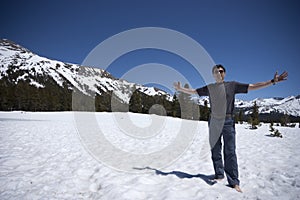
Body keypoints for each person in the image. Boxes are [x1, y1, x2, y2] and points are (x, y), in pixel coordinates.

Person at [173, 64, 288, 192]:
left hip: (228, 121)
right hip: (214, 121)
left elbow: (253, 86)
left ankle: (234, 181)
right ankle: (219, 174)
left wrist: (272, 82)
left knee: (230, 151)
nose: (219, 74)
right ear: (213, 75)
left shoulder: (232, 85)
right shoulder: (210, 88)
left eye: (221, 71)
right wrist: (181, 89)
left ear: (224, 73)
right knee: (215, 149)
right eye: (216, 72)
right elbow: (194, 91)